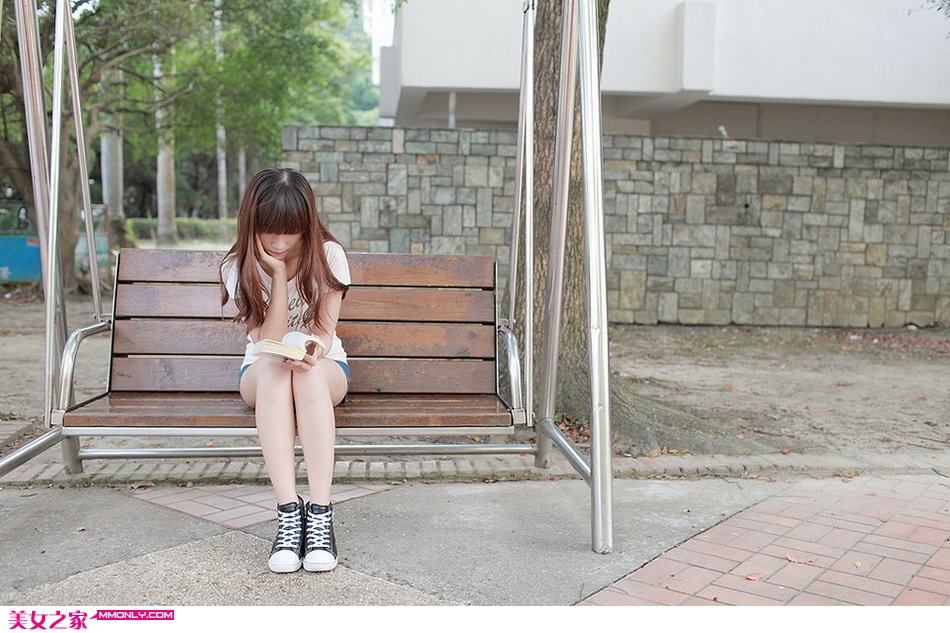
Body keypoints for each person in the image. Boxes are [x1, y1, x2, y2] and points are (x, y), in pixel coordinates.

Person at [220, 167, 350, 573]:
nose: (278, 242)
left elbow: (325, 332)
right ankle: (289, 514)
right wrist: (276, 275)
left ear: (305, 224)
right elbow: (266, 341)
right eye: (268, 230)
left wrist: (313, 352)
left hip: (324, 365)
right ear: (251, 222)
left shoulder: (329, 256)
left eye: (289, 231)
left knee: (306, 374)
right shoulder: (237, 266)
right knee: (276, 370)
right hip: (261, 371)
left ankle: (321, 514)